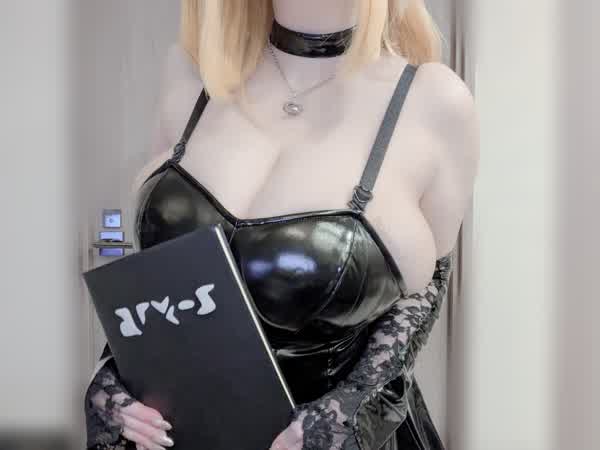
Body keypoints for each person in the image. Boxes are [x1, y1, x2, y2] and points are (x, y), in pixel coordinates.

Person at [84, 0, 479, 449]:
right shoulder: (192, 73)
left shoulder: (434, 101)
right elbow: (162, 278)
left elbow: (426, 283)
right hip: (176, 433)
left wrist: (350, 408)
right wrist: (115, 375)